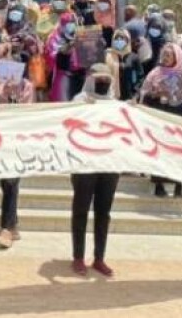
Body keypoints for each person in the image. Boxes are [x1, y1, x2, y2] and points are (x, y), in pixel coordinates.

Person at [70, 64, 120, 277]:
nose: (102, 83)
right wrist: (83, 111)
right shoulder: (79, 101)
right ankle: (78, 257)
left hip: (109, 165)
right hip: (84, 164)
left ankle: (99, 258)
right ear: (91, 80)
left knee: (103, 212)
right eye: (99, 79)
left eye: (106, 80)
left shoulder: (116, 105)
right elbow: (68, 126)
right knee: (80, 210)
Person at [139, 44, 182, 198]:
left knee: (179, 153)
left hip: (177, 121)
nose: (165, 58)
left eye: (168, 55)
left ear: (177, 57)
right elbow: (144, 96)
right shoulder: (154, 74)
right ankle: (159, 185)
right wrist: (156, 94)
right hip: (159, 120)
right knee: (159, 152)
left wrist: (176, 95)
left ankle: (178, 186)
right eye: (164, 55)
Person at [0, 73, 35, 249]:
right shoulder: (1, 86)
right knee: (6, 183)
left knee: (11, 181)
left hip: (19, 139)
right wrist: (1, 91)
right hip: (3, 139)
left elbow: (25, 111)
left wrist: (14, 96)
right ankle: (10, 225)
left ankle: (7, 228)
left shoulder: (27, 86)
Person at [46, 12, 83, 102]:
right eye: (68, 23)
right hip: (62, 75)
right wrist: (67, 48)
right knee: (62, 102)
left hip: (80, 75)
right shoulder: (54, 37)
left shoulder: (81, 35)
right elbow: (52, 56)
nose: (71, 26)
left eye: (73, 23)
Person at [105, 29, 143, 101]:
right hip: (109, 95)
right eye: (117, 39)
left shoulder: (133, 57)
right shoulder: (107, 55)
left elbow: (140, 77)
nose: (119, 41)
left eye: (122, 39)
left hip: (128, 96)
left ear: (127, 41)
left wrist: (135, 94)